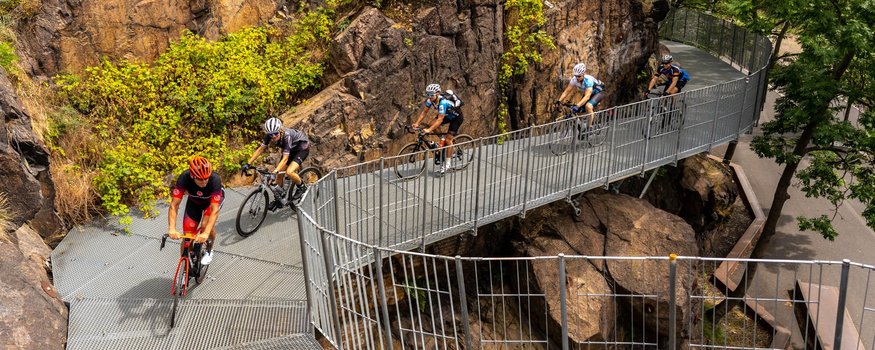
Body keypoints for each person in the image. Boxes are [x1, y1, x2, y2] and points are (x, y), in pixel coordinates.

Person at [243, 117, 310, 210]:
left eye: (275, 133)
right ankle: (279, 199)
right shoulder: (269, 135)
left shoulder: (286, 136)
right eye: (271, 134)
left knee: (289, 172)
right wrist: (248, 163)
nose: (273, 136)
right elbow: (260, 149)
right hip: (290, 150)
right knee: (279, 176)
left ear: (280, 130)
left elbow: (285, 158)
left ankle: (301, 187)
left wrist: (275, 171)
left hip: (301, 149)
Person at [168, 156, 224, 265]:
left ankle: (209, 249)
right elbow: (174, 205)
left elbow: (214, 210)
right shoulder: (184, 177)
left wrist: (206, 233)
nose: (204, 181)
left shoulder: (215, 179)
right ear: (192, 176)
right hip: (194, 202)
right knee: (187, 235)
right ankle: (185, 266)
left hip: (210, 204)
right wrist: (172, 228)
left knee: (205, 225)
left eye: (206, 178)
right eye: (200, 179)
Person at [412, 83, 464, 174]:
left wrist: (429, 130)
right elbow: (424, 112)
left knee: (448, 140)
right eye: (428, 94)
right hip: (447, 115)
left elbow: (440, 120)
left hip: (456, 118)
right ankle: (441, 140)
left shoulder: (443, 102)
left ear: (437, 94)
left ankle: (447, 164)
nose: (429, 97)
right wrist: (417, 123)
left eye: (431, 95)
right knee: (431, 123)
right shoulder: (430, 100)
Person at [556, 63, 607, 129]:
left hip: (599, 92)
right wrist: (559, 101)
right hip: (590, 92)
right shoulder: (574, 80)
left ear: (583, 74)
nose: (577, 78)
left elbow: (587, 96)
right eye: (575, 76)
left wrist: (577, 106)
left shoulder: (588, 80)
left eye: (579, 76)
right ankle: (582, 127)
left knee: (588, 106)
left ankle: (589, 127)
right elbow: (567, 91)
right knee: (578, 110)